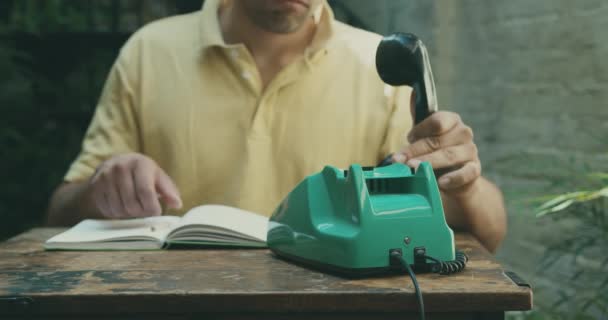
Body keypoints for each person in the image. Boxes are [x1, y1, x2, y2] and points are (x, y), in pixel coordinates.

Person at [46, 0, 506, 252]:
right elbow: (59, 211)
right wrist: (100, 190)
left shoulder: (378, 62)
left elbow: (490, 234)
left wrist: (462, 186)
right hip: (174, 300)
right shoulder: (149, 50)